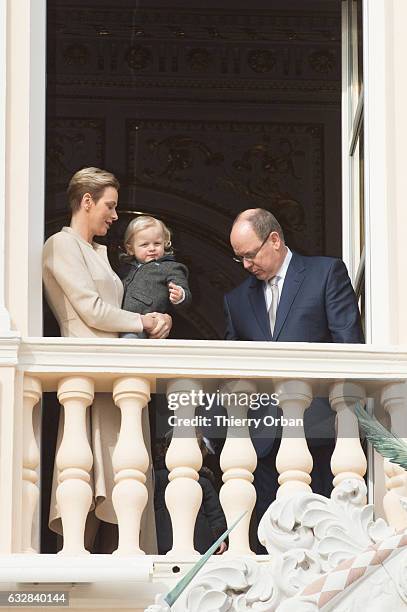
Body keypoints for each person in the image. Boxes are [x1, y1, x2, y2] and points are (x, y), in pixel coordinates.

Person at [42, 167, 172, 553]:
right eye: (109, 206)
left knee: (124, 482)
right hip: (90, 377)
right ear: (86, 201)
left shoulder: (98, 252)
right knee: (92, 479)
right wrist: (143, 322)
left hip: (118, 378)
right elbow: (91, 309)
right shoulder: (61, 246)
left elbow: (119, 306)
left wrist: (158, 315)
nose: (115, 217)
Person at [224, 208, 364, 536]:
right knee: (268, 544)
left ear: (274, 240)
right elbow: (234, 374)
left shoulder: (326, 272)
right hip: (262, 444)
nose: (245, 265)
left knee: (327, 540)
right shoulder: (236, 300)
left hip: (321, 434)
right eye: (239, 258)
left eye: (250, 254)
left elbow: (349, 347)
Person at [153, 432, 227, 555]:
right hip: (164, 538)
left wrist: (219, 538)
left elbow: (215, 514)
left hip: (199, 541)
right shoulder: (158, 478)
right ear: (166, 451)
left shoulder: (203, 482)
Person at [120, 215, 191, 339]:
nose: (152, 248)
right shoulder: (124, 269)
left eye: (157, 243)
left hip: (146, 323)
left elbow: (182, 291)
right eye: (144, 245)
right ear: (130, 249)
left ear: (165, 243)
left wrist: (180, 295)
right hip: (119, 320)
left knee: (130, 342)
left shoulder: (170, 267)